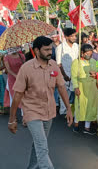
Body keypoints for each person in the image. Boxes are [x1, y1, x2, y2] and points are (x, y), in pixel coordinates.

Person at [8, 36, 73, 169]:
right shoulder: (26, 68)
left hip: (49, 111)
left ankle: (31, 167)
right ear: (37, 50)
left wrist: (69, 109)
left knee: (39, 144)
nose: (50, 52)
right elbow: (18, 94)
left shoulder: (53, 65)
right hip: (32, 112)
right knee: (42, 146)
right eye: (47, 49)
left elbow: (61, 86)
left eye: (51, 49)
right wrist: (12, 119)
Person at [71, 44, 98, 134]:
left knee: (91, 106)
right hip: (81, 87)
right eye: (87, 53)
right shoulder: (76, 62)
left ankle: (87, 127)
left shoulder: (94, 61)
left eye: (91, 53)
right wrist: (76, 87)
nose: (89, 55)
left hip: (92, 87)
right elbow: (74, 76)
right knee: (80, 106)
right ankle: (76, 124)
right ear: (82, 53)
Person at [56, 28, 79, 115]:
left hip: (75, 74)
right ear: (66, 37)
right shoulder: (60, 47)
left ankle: (74, 112)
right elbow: (58, 63)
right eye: (72, 36)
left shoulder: (77, 46)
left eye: (75, 36)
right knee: (64, 95)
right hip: (64, 75)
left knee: (75, 95)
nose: (74, 38)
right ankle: (63, 112)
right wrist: (64, 75)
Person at [3, 50, 25, 119]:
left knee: (23, 97)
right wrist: (15, 75)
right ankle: (13, 116)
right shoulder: (6, 57)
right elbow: (8, 69)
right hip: (12, 79)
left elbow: (24, 67)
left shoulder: (22, 56)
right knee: (13, 98)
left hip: (21, 78)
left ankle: (24, 116)